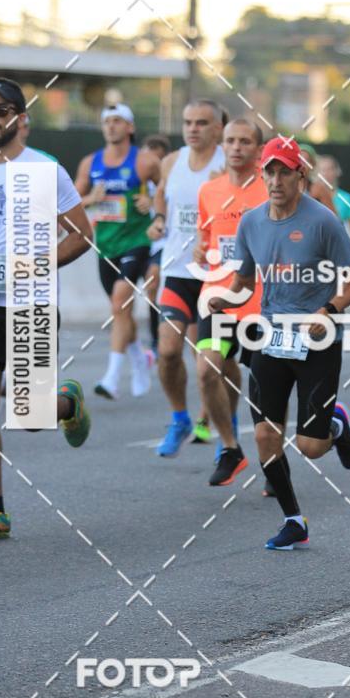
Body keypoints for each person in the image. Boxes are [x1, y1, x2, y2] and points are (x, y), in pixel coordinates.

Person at [209, 136, 350, 550]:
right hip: (271, 336)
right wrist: (227, 298)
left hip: (317, 338)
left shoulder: (323, 221)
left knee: (312, 448)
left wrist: (329, 309)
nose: (276, 180)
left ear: (301, 175)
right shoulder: (252, 222)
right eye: (270, 172)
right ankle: (294, 518)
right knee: (264, 434)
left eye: (284, 172)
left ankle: (334, 425)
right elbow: (244, 279)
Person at [0, 78, 93, 541]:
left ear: (20, 118)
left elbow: (80, 234)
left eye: (1, 109)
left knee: (31, 416)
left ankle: (67, 403)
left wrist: (34, 264)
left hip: (29, 301)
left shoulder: (45, 170)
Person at [149, 100, 226, 456]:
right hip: (177, 270)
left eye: (201, 122)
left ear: (218, 128)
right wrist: (159, 219)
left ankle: (223, 427)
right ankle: (180, 417)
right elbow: (162, 197)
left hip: (218, 277)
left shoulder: (229, 162)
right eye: (187, 122)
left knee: (209, 364)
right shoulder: (171, 161)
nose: (192, 128)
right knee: (167, 351)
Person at [195, 118, 268, 486]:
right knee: (208, 370)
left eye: (245, 141)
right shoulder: (209, 190)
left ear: (258, 149)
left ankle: (274, 455)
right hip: (219, 300)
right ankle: (230, 448)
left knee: (267, 385)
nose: (236, 147)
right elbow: (207, 239)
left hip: (263, 304)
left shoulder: (271, 190)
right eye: (230, 141)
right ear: (222, 145)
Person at [75, 104, 160, 400]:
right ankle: (139, 358)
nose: (111, 126)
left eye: (117, 121)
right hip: (105, 245)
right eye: (107, 122)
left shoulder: (145, 161)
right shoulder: (90, 163)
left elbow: (167, 193)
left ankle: (111, 378)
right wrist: (90, 198)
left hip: (136, 242)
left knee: (119, 301)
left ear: (130, 127)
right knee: (119, 310)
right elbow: (71, 201)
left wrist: (152, 203)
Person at [136, 134, 171, 356]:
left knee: (153, 281)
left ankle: (158, 340)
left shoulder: (168, 183)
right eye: (148, 157)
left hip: (162, 243)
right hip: (137, 242)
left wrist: (154, 205)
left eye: (157, 159)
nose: (152, 164)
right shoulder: (135, 182)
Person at [317, 155, 350, 242]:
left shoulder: (347, 198)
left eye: (330, 169)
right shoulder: (310, 197)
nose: (326, 173)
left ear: (337, 171)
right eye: (323, 170)